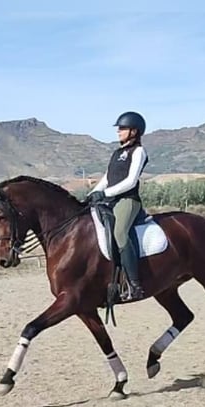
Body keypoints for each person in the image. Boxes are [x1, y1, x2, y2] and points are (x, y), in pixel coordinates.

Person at [86, 111, 149, 301]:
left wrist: (104, 194)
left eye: (122, 128)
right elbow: (107, 178)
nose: (118, 132)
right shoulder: (117, 152)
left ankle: (135, 284)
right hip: (111, 200)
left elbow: (131, 181)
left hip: (128, 201)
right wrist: (91, 195)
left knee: (120, 233)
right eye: (119, 128)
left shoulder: (138, 151)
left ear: (134, 131)